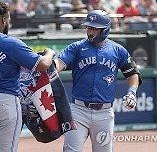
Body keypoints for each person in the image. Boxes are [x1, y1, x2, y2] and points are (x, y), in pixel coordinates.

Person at [55, 10, 142, 152]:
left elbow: (132, 73)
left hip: (104, 113)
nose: (90, 31)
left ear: (105, 29)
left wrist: (132, 92)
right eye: (89, 27)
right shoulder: (76, 47)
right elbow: (59, 63)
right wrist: (50, 65)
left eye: (94, 28)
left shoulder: (118, 50)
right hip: (78, 111)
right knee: (71, 150)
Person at [0, 1, 55, 152]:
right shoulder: (10, 43)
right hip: (5, 101)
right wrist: (49, 53)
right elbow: (43, 64)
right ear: (3, 20)